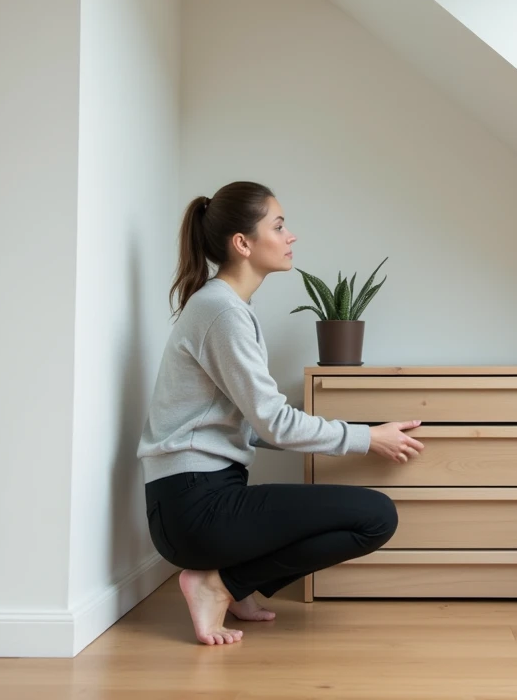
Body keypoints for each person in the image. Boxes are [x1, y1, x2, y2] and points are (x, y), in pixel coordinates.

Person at [138, 181, 424, 646]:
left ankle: (233, 583)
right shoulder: (221, 312)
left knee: (356, 511)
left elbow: (251, 426)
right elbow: (273, 421)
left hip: (193, 502)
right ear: (243, 244)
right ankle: (218, 584)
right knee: (377, 516)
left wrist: (359, 432)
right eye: (279, 224)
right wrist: (366, 438)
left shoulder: (225, 307)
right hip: (194, 508)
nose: (290, 236)